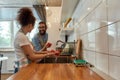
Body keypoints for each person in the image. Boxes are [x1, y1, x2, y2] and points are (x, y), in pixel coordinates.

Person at [14, 7, 55, 73]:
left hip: (24, 67)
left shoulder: (22, 35)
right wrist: (47, 54)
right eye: (34, 26)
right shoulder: (21, 37)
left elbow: (33, 52)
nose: (33, 28)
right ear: (30, 25)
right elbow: (32, 56)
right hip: (21, 68)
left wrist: (48, 52)